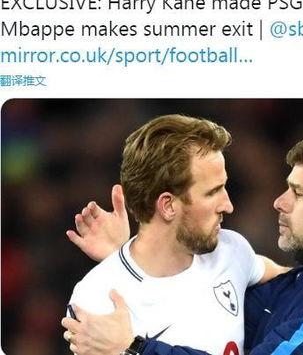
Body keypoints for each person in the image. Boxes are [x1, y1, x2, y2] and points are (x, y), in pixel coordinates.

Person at [62, 127, 303, 355]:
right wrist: (127, 259)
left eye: (298, 193)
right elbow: (205, 294)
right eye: (214, 190)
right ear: (167, 205)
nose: (279, 202)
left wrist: (134, 348)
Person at [65, 114, 287, 355]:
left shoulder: (233, 250)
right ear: (168, 205)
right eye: (213, 192)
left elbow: (298, 282)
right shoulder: (97, 297)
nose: (228, 205)